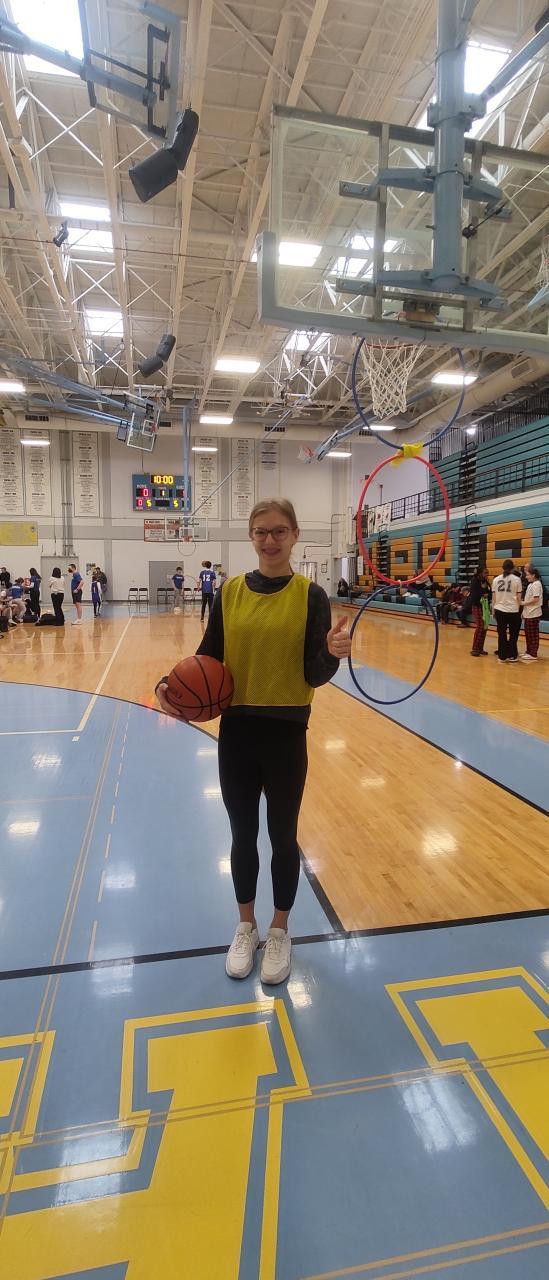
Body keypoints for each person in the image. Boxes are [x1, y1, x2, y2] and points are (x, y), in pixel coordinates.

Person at [155, 497, 351, 985]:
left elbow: (314, 673)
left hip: (286, 732)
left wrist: (332, 652)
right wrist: (169, 687)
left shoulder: (311, 596)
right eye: (261, 531)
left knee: (283, 837)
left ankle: (280, 930)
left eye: (279, 531)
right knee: (242, 835)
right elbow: (206, 658)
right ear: (251, 537)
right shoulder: (231, 592)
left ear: (295, 535)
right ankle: (246, 926)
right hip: (237, 732)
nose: (270, 540)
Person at [491, 559, 522, 663]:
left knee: (501, 634)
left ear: (502, 568)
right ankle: (512, 655)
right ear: (512, 568)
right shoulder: (517, 579)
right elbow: (519, 598)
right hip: (513, 610)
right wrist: (520, 610)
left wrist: (493, 610)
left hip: (499, 610)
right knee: (513, 634)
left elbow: (494, 598)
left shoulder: (496, 579)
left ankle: (502, 656)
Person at [520, 565, 543, 662]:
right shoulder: (530, 585)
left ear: (533, 575)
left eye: (528, 575)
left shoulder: (537, 584)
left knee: (533, 635)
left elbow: (536, 599)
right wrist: (524, 611)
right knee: (528, 634)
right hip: (528, 613)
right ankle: (529, 651)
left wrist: (523, 603)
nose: (526, 577)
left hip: (534, 613)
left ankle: (533, 653)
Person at [469, 568, 491, 656]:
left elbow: (490, 593)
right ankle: (475, 648)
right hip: (477, 606)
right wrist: (483, 590)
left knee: (485, 627)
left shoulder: (486, 581)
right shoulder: (474, 581)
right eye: (485, 573)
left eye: (488, 573)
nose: (487, 574)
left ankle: (480, 648)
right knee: (480, 626)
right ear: (480, 573)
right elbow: (475, 595)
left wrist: (485, 593)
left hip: (485, 606)